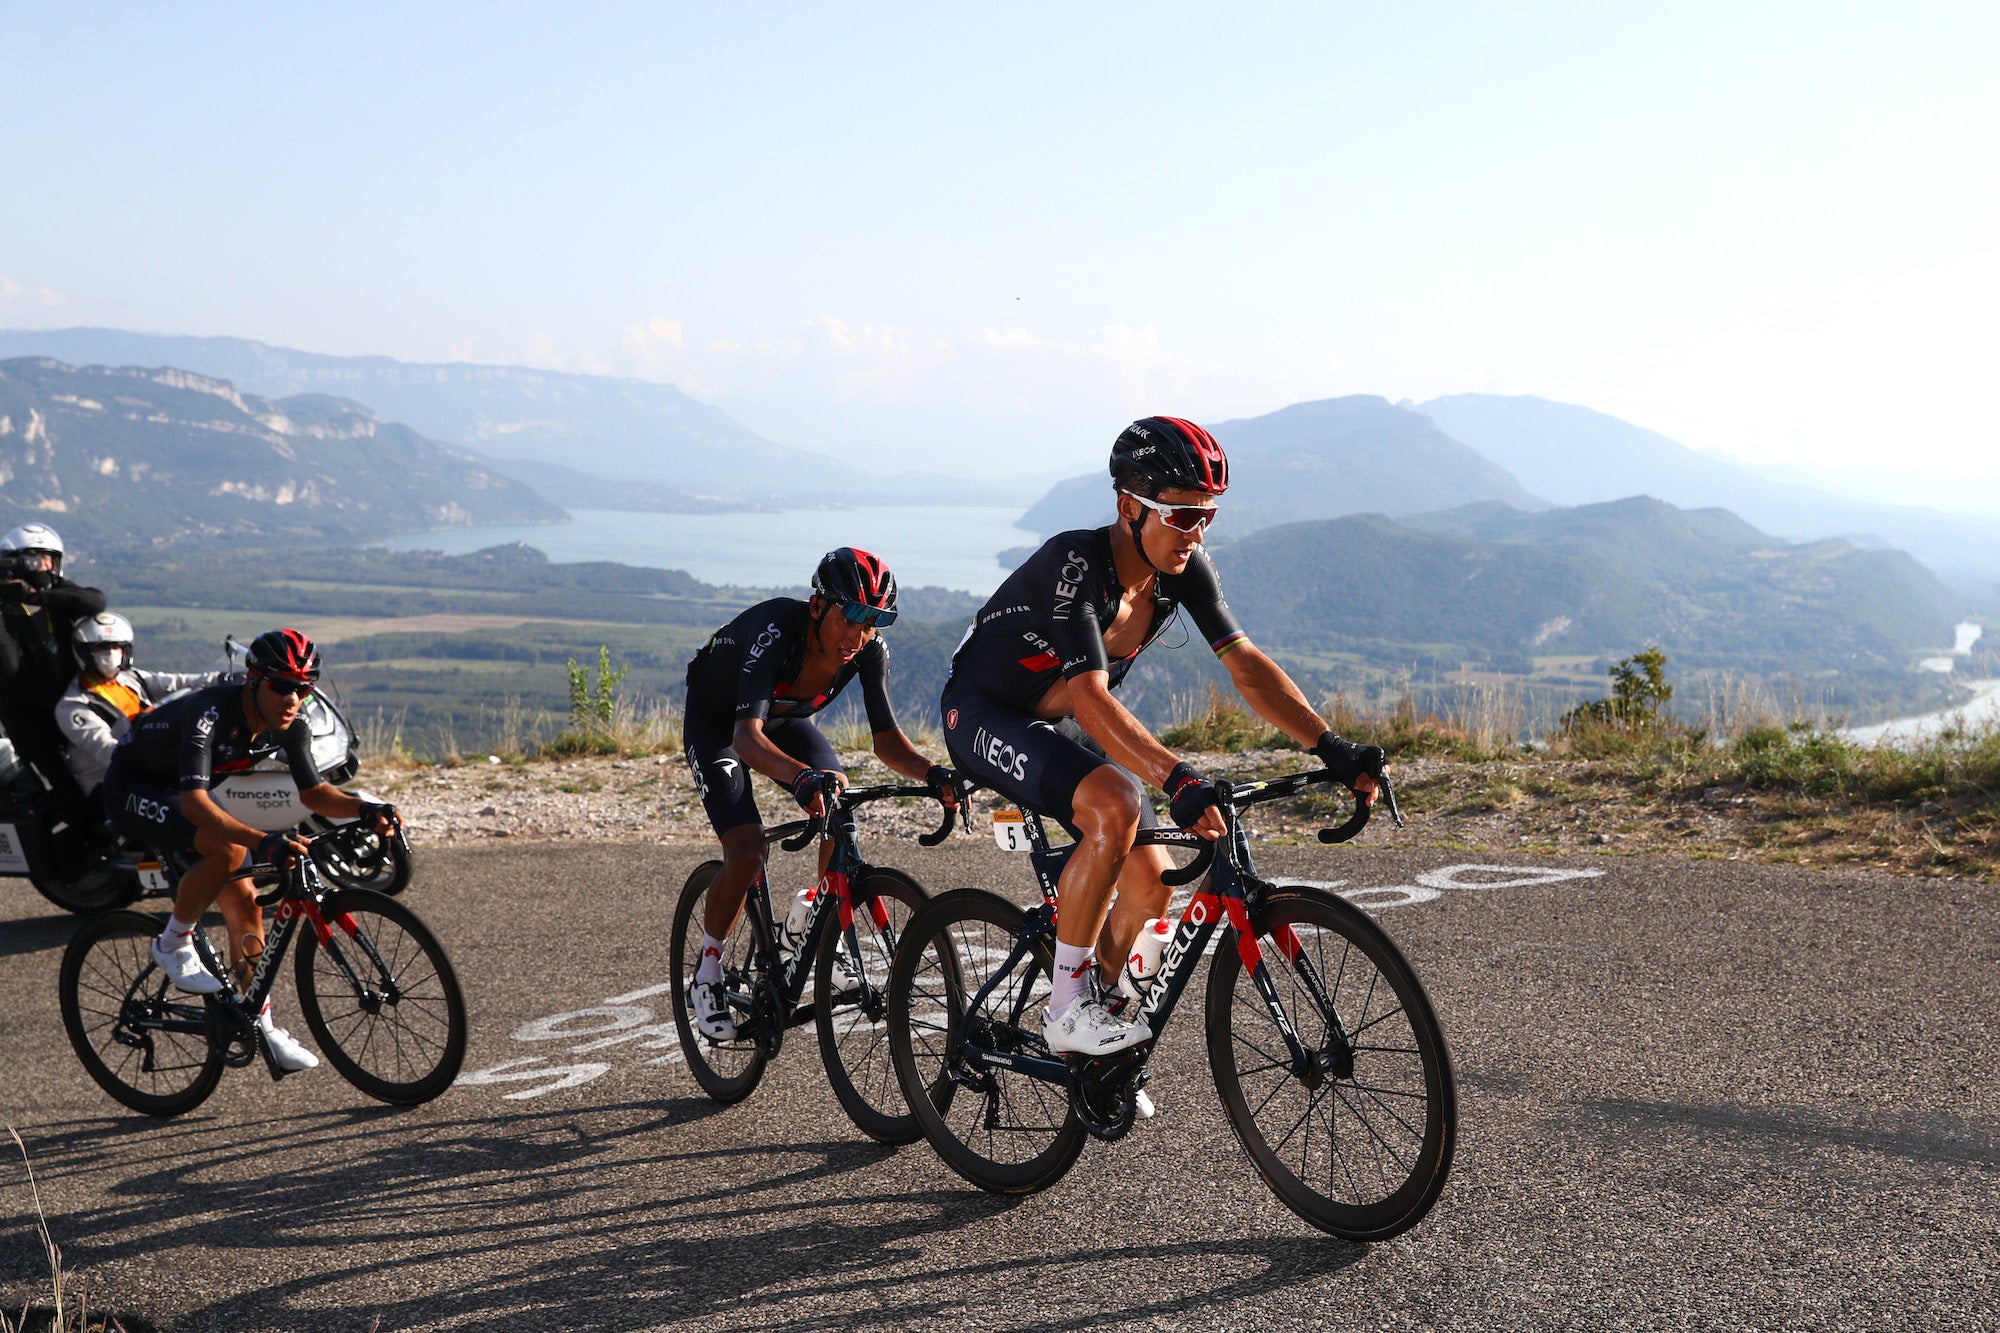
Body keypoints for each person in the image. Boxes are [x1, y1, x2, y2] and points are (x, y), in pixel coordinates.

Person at [939, 417, 1382, 1056]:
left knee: (1152, 885)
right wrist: (1176, 777)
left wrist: (1331, 746)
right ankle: (1065, 1008)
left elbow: (1247, 668)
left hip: (1062, 718)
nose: (1195, 533)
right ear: (1129, 508)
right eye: (1181, 516)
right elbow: (1092, 699)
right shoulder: (1075, 564)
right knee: (1115, 806)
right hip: (984, 711)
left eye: (1206, 516)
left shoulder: (1182, 567)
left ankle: (1103, 1013)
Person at [681, 547, 959, 1040]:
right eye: (850, 616)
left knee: (839, 798)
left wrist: (934, 773)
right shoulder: (776, 630)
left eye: (872, 621)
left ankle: (812, 914)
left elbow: (886, 740)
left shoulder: (868, 650)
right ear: (817, 606)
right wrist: (800, 777)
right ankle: (706, 972)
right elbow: (746, 738)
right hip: (721, 726)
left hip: (783, 722)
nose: (858, 634)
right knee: (747, 853)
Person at [103, 628, 400, 1073]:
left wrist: (368, 809)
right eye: (282, 685)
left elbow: (316, 795)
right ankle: (173, 941)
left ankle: (260, 1022)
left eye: (304, 687)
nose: (293, 698)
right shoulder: (208, 712)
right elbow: (195, 805)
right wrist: (265, 840)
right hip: (136, 788)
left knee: (248, 903)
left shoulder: (290, 726)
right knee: (228, 851)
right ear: (254, 680)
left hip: (187, 795)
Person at [0, 524, 108, 856]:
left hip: (68, 703)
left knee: (105, 764)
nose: (46, 566)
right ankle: (86, 853)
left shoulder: (56, 595)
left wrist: (38, 597)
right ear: (15, 562)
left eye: (50, 559)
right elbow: (8, 667)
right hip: (26, 716)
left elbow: (95, 601)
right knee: (61, 786)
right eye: (37, 560)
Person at [56, 611, 226, 801]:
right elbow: (108, 752)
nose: (111, 653)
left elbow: (178, 682)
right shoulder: (74, 705)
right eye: (101, 647)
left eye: (116, 647)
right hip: (111, 784)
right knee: (192, 812)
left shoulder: (131, 679)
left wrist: (221, 679)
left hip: (151, 770)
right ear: (85, 653)